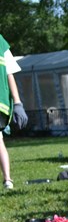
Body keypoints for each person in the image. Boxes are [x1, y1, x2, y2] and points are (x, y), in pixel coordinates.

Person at [0, 34, 29, 189]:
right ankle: (8, 180)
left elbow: (9, 74)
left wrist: (18, 103)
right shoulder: (1, 42)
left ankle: (8, 179)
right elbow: (9, 74)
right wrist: (17, 103)